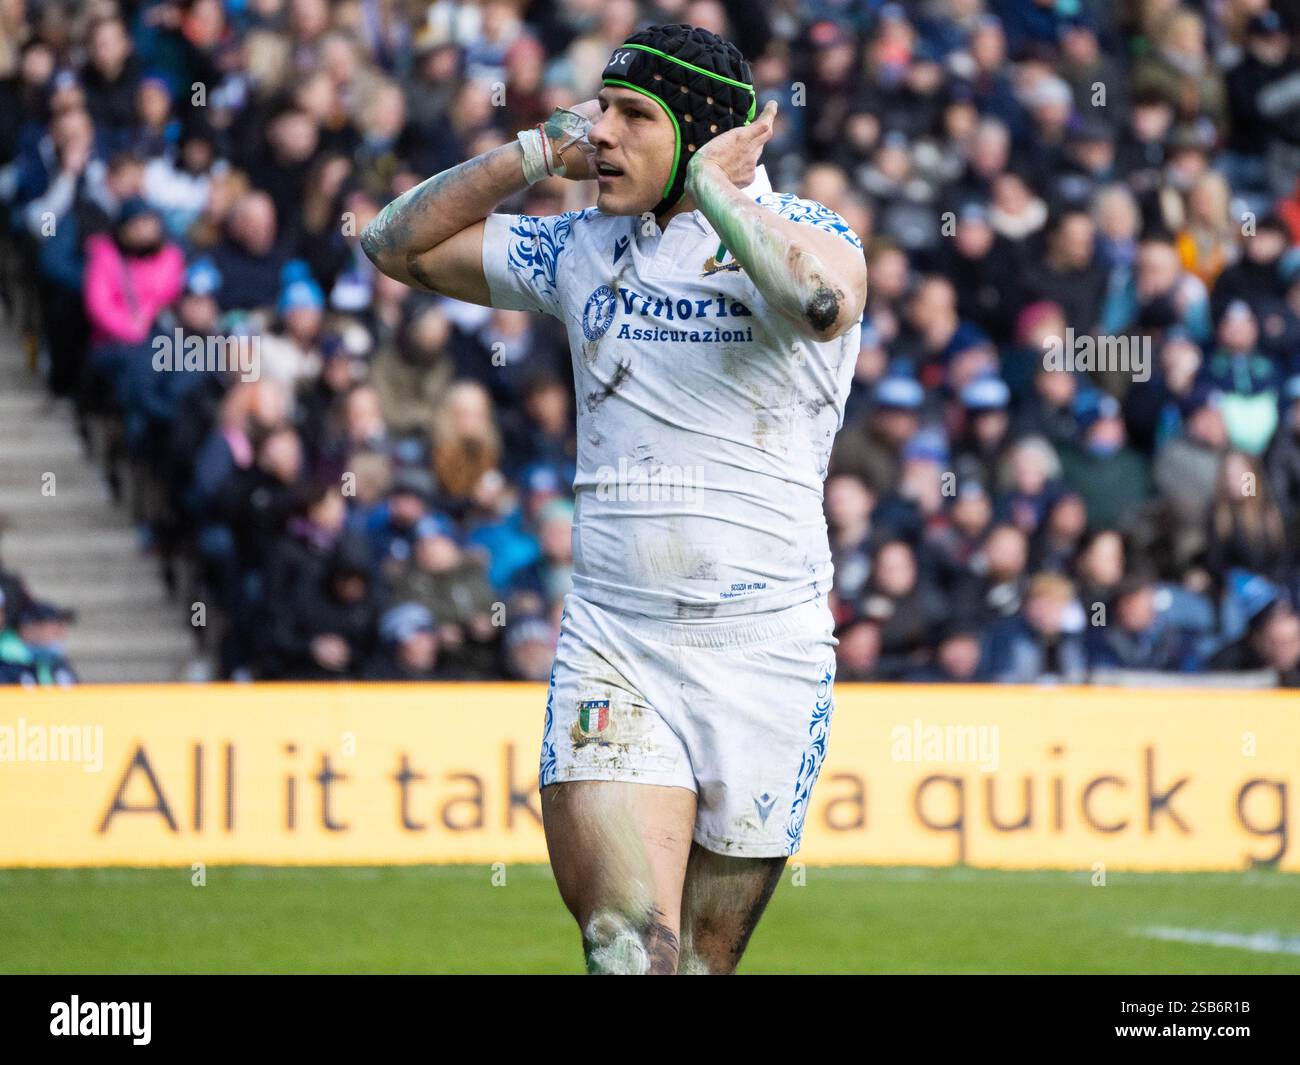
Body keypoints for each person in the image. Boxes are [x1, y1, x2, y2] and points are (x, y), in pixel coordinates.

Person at [361, 23, 867, 975]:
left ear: (705, 135)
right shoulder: (584, 246)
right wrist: (528, 153)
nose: (603, 133)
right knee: (630, 951)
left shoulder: (814, 237)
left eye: (635, 115)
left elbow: (820, 306)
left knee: (700, 967)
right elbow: (395, 244)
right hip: (618, 641)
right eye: (602, 109)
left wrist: (716, 190)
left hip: (767, 652)